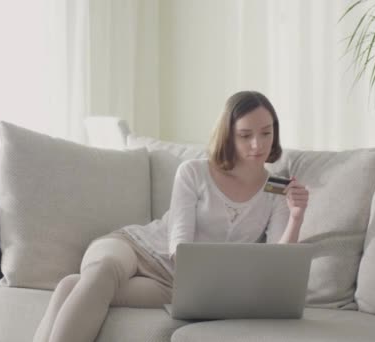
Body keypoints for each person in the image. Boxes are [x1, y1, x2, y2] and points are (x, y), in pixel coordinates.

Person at [33, 90, 309, 342]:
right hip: (136, 247)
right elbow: (179, 244)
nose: (257, 145)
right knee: (104, 270)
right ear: (228, 135)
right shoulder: (195, 172)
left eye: (266, 133)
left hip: (177, 284)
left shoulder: (277, 190)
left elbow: (277, 267)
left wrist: (296, 216)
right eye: (245, 135)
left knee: (74, 285)